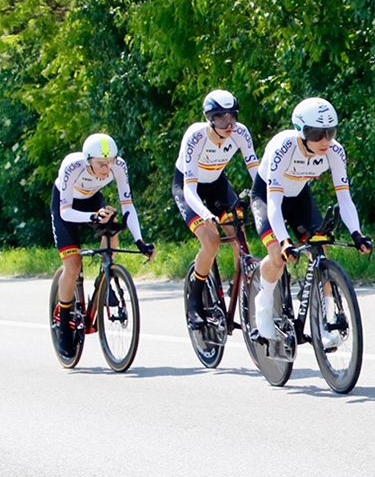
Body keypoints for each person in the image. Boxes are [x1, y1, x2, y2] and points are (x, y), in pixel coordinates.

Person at [250, 98, 373, 349]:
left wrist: (357, 234)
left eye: (330, 132)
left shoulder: (335, 151)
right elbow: (273, 202)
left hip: (299, 197)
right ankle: (263, 305)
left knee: (321, 249)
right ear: (301, 132)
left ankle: (327, 320)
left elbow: (345, 198)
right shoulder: (283, 147)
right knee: (278, 255)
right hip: (267, 196)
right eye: (317, 134)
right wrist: (284, 241)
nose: (325, 140)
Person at [50, 133, 156, 359]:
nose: (107, 168)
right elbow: (65, 211)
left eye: (111, 162)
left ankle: (107, 279)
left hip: (92, 198)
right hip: (66, 204)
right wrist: (93, 216)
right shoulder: (72, 166)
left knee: (113, 227)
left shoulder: (119, 166)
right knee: (73, 263)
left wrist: (140, 241)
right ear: (88, 160)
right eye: (101, 164)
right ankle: (65, 324)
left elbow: (128, 205)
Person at [173, 90, 260, 327]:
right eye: (221, 117)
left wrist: (267, 197)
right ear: (209, 118)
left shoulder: (240, 133)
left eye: (233, 116)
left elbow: (256, 172)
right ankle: (194, 302)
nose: (229, 122)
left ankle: (239, 288)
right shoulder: (195, 136)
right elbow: (189, 189)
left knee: (239, 236)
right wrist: (205, 214)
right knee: (211, 240)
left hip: (218, 185)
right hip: (190, 188)